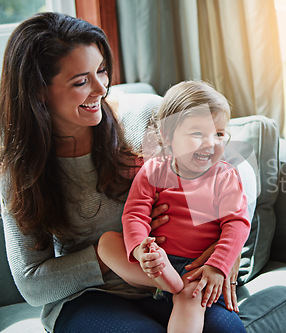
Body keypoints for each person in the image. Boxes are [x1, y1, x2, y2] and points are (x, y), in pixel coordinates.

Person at [0, 12, 244, 333]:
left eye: (101, 71)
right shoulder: (20, 173)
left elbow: (237, 171)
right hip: (90, 296)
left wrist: (225, 253)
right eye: (81, 81)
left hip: (178, 271)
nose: (101, 88)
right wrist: (109, 252)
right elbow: (32, 284)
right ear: (39, 91)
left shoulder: (142, 117)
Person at [98, 80, 251, 333]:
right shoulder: (154, 170)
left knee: (189, 298)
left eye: (219, 134)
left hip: (198, 268)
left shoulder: (225, 176)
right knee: (107, 243)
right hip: (158, 263)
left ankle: (175, 286)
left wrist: (217, 265)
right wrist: (140, 252)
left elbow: (237, 224)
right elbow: (135, 213)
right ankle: (164, 280)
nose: (210, 143)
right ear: (168, 136)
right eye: (197, 134)